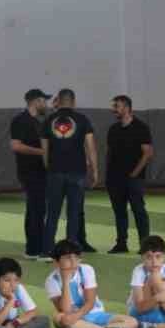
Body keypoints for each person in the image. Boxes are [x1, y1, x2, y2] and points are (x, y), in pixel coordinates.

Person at [41, 88, 99, 256]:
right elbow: (91, 147)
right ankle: (70, 251)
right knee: (74, 214)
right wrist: (95, 170)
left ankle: (47, 250)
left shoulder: (49, 120)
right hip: (77, 172)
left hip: (55, 171)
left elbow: (44, 150)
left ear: (58, 101)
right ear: (73, 102)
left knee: (52, 213)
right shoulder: (82, 120)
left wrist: (48, 167)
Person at [44, 241, 138, 328]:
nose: (73, 261)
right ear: (56, 262)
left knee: (133, 322)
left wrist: (76, 316)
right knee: (59, 318)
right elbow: (65, 310)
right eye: (68, 257)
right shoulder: (51, 281)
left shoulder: (86, 270)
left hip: (94, 314)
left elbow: (90, 303)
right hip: (71, 317)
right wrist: (65, 281)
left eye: (76, 257)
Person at [105, 95, 153, 254]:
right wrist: (108, 176)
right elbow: (109, 154)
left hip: (134, 179)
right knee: (119, 212)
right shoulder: (113, 129)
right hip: (115, 178)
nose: (114, 109)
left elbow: (148, 153)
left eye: (116, 106)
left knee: (139, 211)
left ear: (126, 107)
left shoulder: (141, 128)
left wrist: (134, 174)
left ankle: (145, 244)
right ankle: (121, 243)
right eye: (114, 106)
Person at [10, 88, 49, 258]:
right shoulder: (21, 120)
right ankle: (34, 249)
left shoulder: (37, 122)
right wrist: (42, 152)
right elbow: (16, 145)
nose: (46, 104)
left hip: (39, 171)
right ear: (36, 101)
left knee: (36, 209)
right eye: (44, 101)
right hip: (29, 172)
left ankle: (34, 247)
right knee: (36, 209)